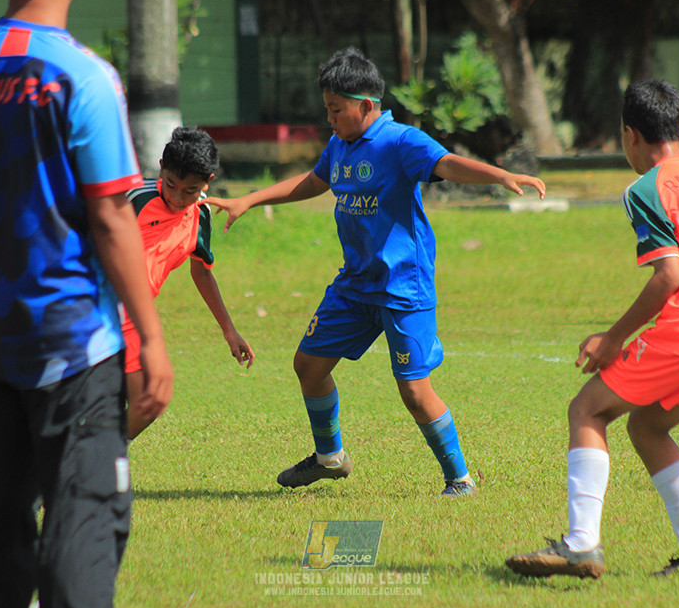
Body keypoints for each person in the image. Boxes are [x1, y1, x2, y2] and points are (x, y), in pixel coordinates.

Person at [0, 0, 172, 608]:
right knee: (83, 522)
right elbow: (111, 214)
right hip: (74, 346)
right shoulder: (84, 77)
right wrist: (150, 337)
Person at [207, 47, 545, 497]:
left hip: (403, 288)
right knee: (308, 365)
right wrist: (251, 199)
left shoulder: (401, 141)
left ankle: (459, 479)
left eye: (335, 110)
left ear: (366, 106)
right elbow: (314, 181)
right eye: (327, 109)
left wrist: (498, 175)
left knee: (414, 393)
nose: (329, 118)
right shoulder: (339, 145)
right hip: (354, 285)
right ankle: (330, 458)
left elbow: (445, 164)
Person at [505, 79, 679, 579]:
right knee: (647, 427)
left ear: (629, 136)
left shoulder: (647, 188)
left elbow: (670, 274)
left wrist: (613, 337)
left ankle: (581, 544)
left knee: (587, 408)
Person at [123, 127, 255, 439]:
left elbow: (202, 272)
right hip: (92, 313)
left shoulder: (201, 214)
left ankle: (94, 460)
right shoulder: (135, 200)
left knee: (149, 402)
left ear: (208, 182)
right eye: (171, 185)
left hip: (133, 321)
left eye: (190, 190)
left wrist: (229, 330)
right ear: (161, 169)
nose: (177, 197)